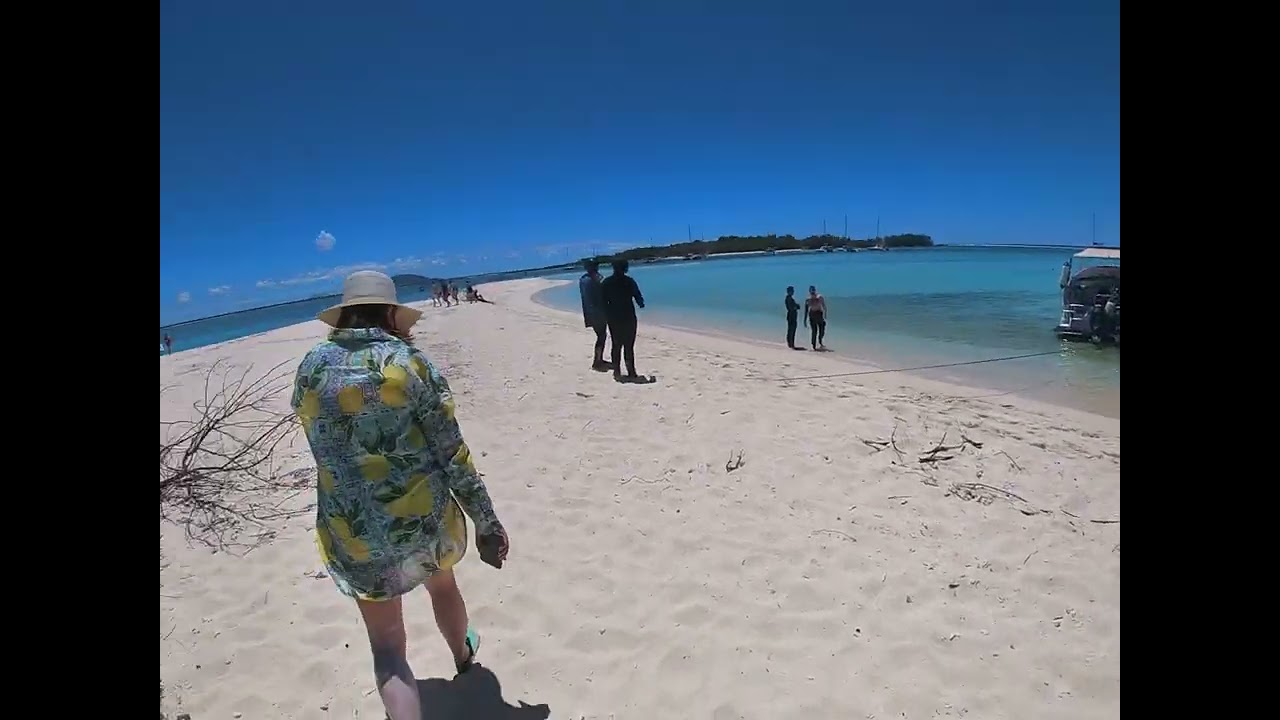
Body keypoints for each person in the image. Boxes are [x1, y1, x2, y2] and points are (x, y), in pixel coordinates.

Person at [292, 270, 510, 720]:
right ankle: (464, 659)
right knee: (443, 585)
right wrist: (486, 521)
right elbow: (453, 453)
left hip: (351, 527)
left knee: (387, 647)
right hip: (422, 517)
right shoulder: (409, 364)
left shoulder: (311, 367)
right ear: (391, 313)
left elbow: (322, 444)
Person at [600, 259, 645, 379]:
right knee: (629, 346)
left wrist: (606, 314)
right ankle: (631, 372)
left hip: (613, 317)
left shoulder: (606, 282)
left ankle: (617, 371)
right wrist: (641, 303)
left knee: (616, 344)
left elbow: (602, 301)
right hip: (628, 316)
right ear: (625, 268)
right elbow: (638, 298)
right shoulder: (629, 281)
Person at [579, 260, 612, 370]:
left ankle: (598, 360)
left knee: (601, 335)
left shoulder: (583, 279)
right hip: (598, 312)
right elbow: (602, 293)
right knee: (602, 336)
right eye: (596, 266)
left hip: (589, 312)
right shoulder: (594, 279)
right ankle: (597, 362)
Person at [803, 285, 827, 350]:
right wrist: (805, 320)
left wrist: (825, 315)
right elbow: (806, 310)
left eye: (813, 290)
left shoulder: (819, 297)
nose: (812, 292)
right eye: (811, 290)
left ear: (815, 290)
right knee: (814, 331)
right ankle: (813, 345)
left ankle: (820, 341)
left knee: (822, 329)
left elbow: (824, 306)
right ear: (809, 291)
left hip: (819, 313)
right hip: (812, 314)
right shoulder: (808, 299)